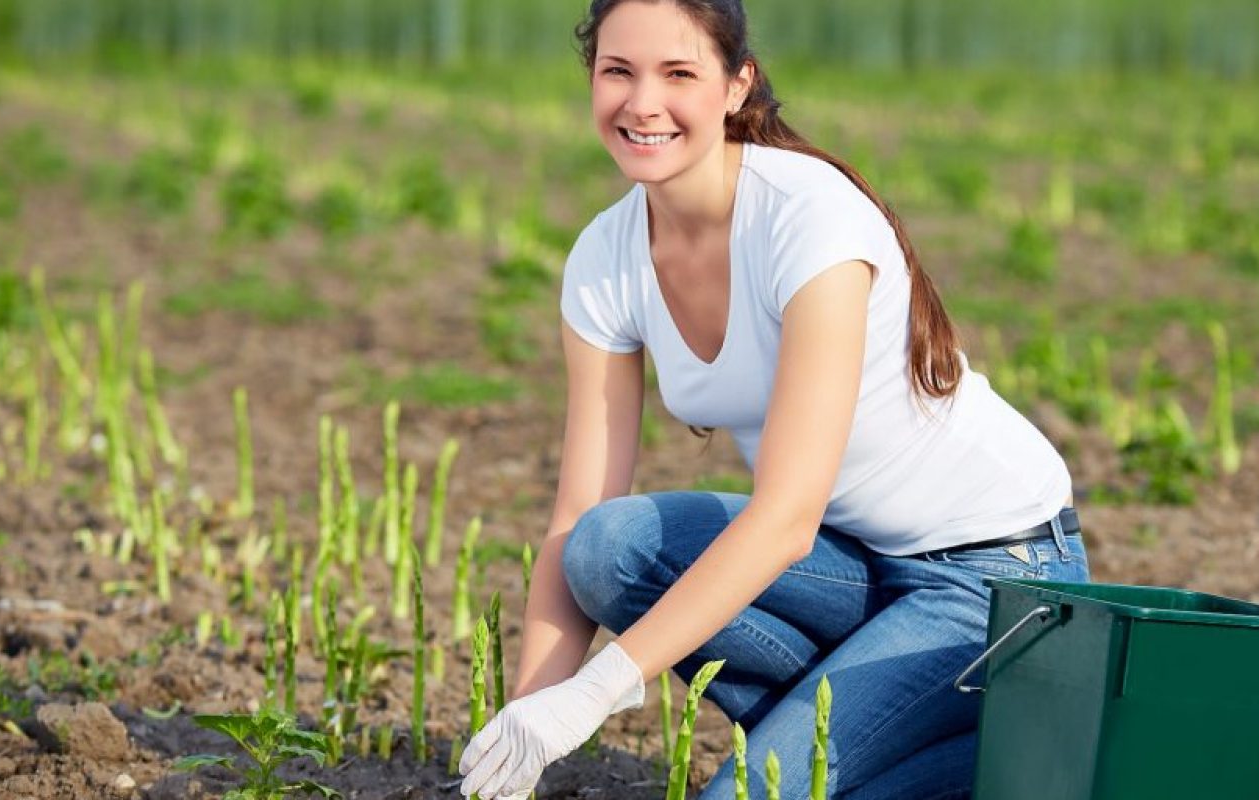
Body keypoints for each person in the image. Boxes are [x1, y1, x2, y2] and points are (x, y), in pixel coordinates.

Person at [456, 1, 1089, 798]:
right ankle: (905, 750)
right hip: (857, 566)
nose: (642, 102)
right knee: (604, 547)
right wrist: (528, 732)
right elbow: (573, 521)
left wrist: (596, 690)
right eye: (618, 71)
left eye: (678, 73)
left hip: (995, 578)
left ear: (735, 85)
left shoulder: (808, 217)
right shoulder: (603, 259)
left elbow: (786, 518)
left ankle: (1017, 755)